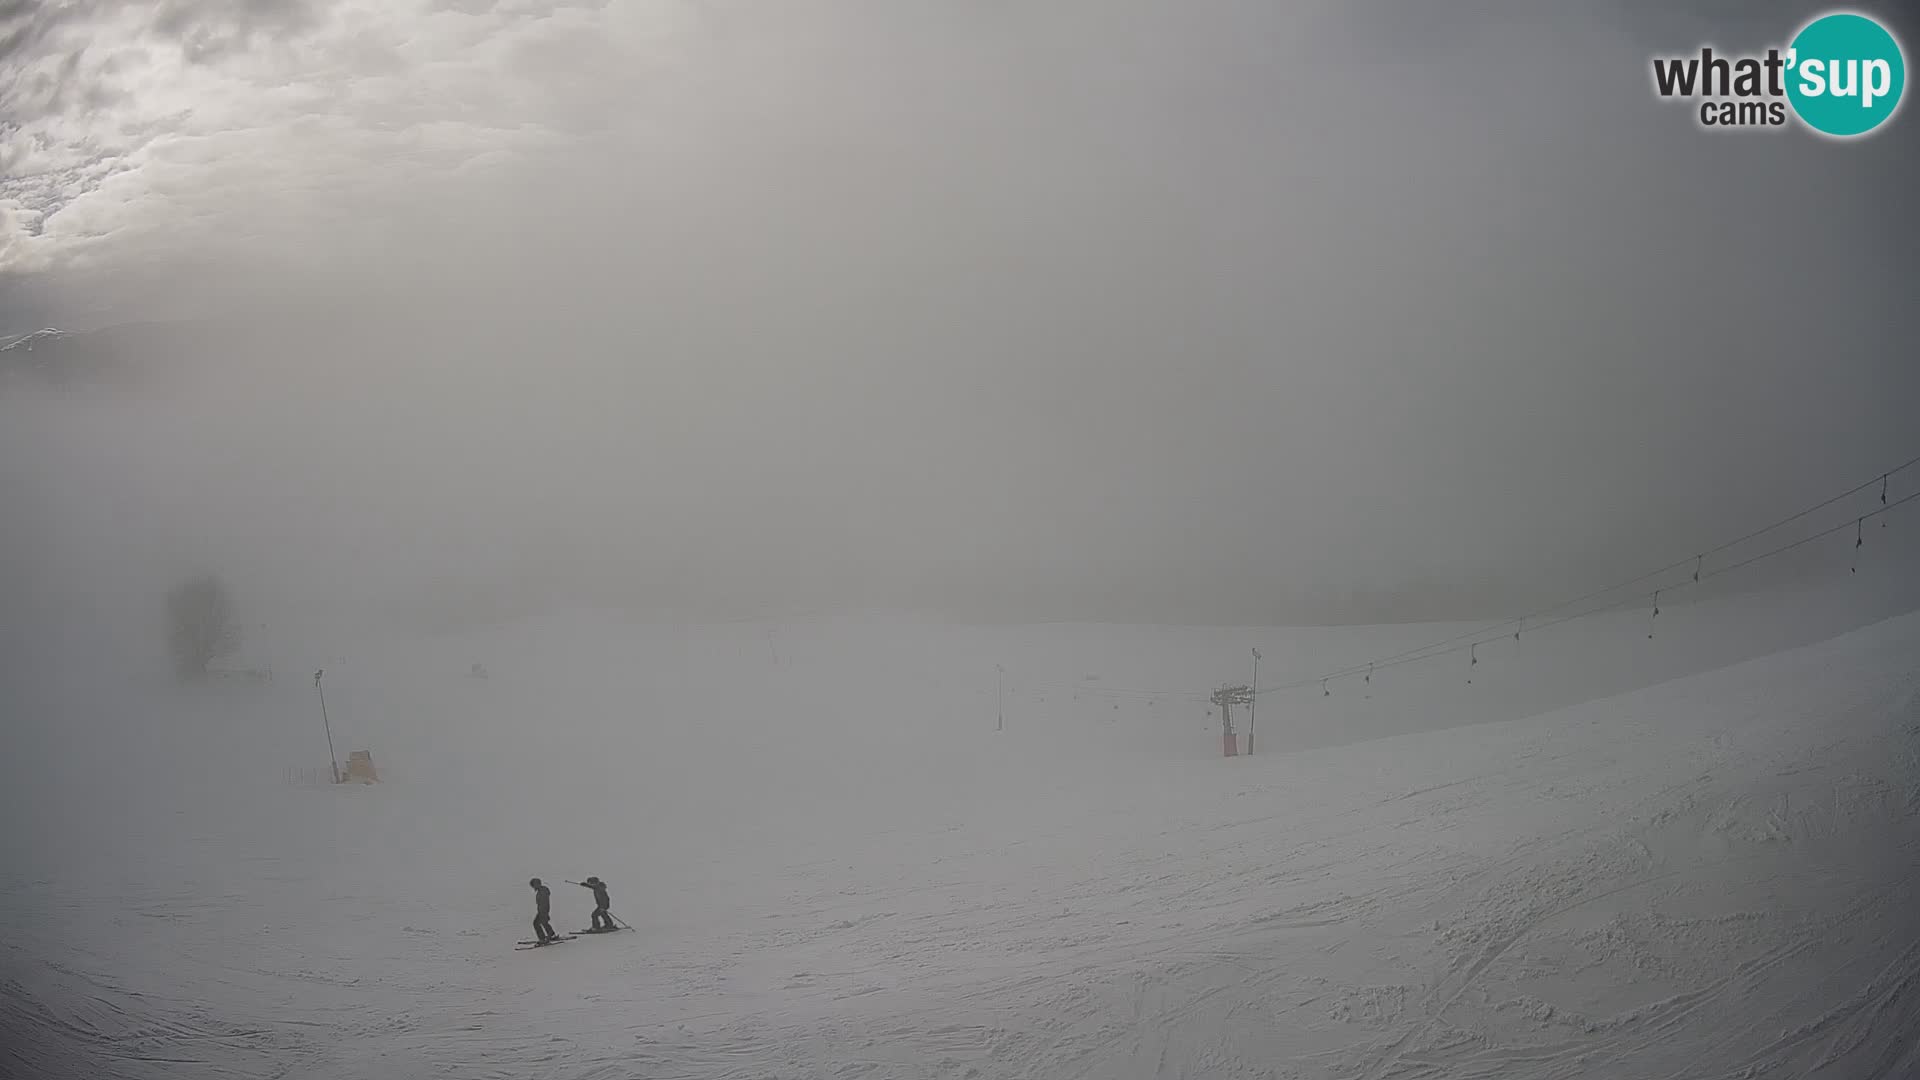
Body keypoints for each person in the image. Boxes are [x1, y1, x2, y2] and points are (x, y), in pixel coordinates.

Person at [529, 878, 558, 943]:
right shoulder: (541, 890)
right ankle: (551, 935)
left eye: (533, 885)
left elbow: (544, 903)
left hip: (543, 910)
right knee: (543, 922)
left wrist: (543, 912)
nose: (533, 887)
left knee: (536, 923)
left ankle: (543, 938)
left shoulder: (543, 891)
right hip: (542, 910)